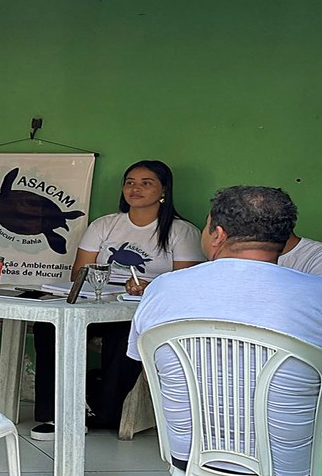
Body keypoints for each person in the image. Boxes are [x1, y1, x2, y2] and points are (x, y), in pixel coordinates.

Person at [127, 186, 322, 476]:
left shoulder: (162, 289)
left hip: (194, 452)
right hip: (292, 463)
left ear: (218, 234)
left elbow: (149, 368)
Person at [31, 160, 205, 440]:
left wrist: (150, 286)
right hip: (99, 304)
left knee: (122, 334)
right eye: (130, 182)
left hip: (144, 311)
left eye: (146, 183)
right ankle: (54, 413)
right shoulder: (105, 225)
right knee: (50, 327)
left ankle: (104, 411)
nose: (135, 189)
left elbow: (185, 283)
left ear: (164, 191)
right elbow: (80, 273)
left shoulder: (180, 231)